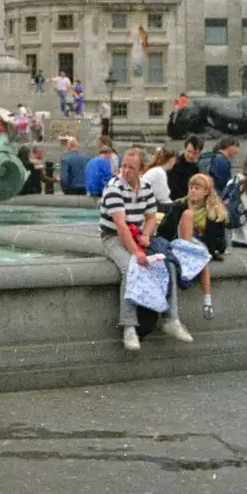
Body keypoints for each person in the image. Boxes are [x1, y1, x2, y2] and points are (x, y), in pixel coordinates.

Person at [99, 146, 186, 349]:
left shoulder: (146, 187)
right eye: (124, 166)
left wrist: (146, 234)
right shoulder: (114, 187)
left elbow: (150, 217)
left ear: (141, 169)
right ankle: (129, 327)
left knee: (168, 264)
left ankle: (172, 319)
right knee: (130, 268)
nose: (126, 171)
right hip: (112, 238)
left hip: (138, 236)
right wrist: (137, 252)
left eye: (131, 167)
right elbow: (120, 226)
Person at [155, 171, 219, 314]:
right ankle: (187, 255)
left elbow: (218, 237)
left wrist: (216, 250)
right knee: (188, 215)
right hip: (181, 243)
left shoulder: (213, 210)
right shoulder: (180, 204)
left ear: (206, 192)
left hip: (200, 246)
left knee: (203, 263)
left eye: (197, 188)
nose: (193, 190)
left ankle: (207, 302)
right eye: (191, 187)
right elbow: (165, 229)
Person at [168, 136, 203, 203]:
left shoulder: (195, 167)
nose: (191, 155)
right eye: (189, 151)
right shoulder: (174, 164)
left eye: (195, 153)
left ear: (199, 153)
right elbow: (173, 189)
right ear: (184, 149)